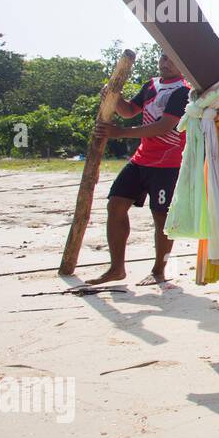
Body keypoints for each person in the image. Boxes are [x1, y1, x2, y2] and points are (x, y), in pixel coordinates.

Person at [87, 53, 190, 286]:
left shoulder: (184, 91)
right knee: (115, 204)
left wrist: (120, 133)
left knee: (161, 217)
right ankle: (116, 268)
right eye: (163, 59)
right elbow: (127, 111)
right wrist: (113, 96)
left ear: (181, 64)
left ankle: (158, 270)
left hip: (168, 164)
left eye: (172, 60)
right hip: (141, 159)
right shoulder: (151, 85)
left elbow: (164, 126)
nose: (166, 64)